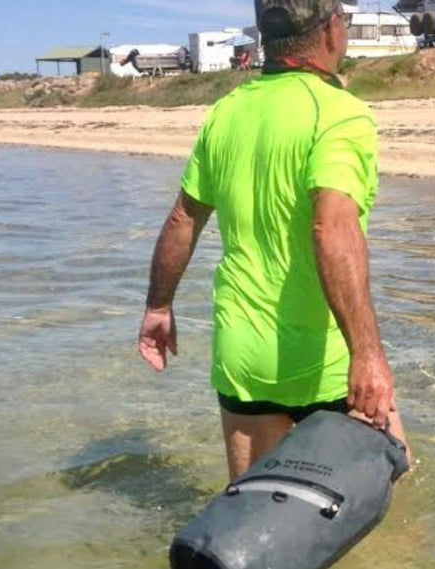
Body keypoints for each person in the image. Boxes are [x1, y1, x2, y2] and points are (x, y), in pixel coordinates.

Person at [138, 0, 410, 482]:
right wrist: (367, 355)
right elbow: (333, 228)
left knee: (254, 520)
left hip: (243, 355)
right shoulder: (339, 112)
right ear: (331, 30)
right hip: (322, 359)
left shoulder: (226, 112)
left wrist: (159, 307)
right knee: (391, 491)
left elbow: (185, 216)